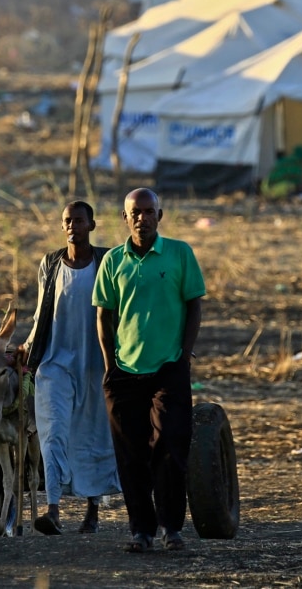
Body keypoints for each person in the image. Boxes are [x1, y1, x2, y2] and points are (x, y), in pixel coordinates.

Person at [93, 188, 205, 553]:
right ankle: (141, 531)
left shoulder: (179, 254)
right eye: (135, 212)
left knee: (171, 447)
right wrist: (110, 366)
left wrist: (183, 357)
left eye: (148, 211)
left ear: (161, 214)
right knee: (131, 455)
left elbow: (194, 306)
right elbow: (103, 315)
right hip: (124, 372)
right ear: (124, 218)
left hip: (168, 369)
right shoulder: (112, 261)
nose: (142, 217)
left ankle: (172, 529)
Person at [21, 201, 121, 536]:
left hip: (96, 364)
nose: (71, 226)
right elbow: (41, 314)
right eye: (67, 221)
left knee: (91, 435)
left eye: (78, 221)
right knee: (53, 433)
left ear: (92, 225)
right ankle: (53, 509)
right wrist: (25, 348)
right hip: (54, 363)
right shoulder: (50, 264)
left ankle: (92, 511)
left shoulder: (106, 261)